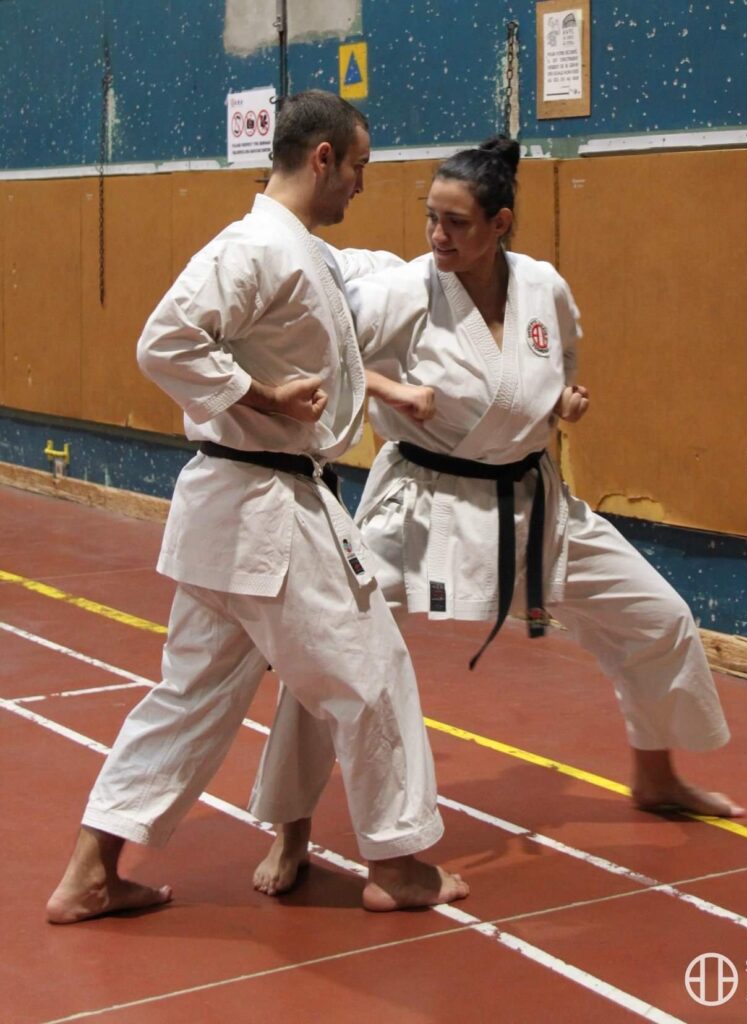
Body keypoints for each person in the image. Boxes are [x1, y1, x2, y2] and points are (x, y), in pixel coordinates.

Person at [248, 136, 744, 897]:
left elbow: (557, 366)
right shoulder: (405, 292)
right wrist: (392, 391)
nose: (438, 236)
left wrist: (562, 401)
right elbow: (323, 355)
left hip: (531, 501)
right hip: (424, 505)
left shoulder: (543, 287)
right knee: (331, 648)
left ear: (500, 223)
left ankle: (656, 775)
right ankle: (291, 830)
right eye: (431, 218)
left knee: (657, 617)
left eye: (456, 223)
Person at [45, 90, 469, 924]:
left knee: (190, 698)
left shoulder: (296, 250)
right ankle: (397, 864)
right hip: (267, 510)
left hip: (234, 516)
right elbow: (164, 342)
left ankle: (90, 872)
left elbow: (357, 284)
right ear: (322, 158)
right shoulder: (254, 248)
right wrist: (262, 395)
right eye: (357, 168)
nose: (360, 185)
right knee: (372, 674)